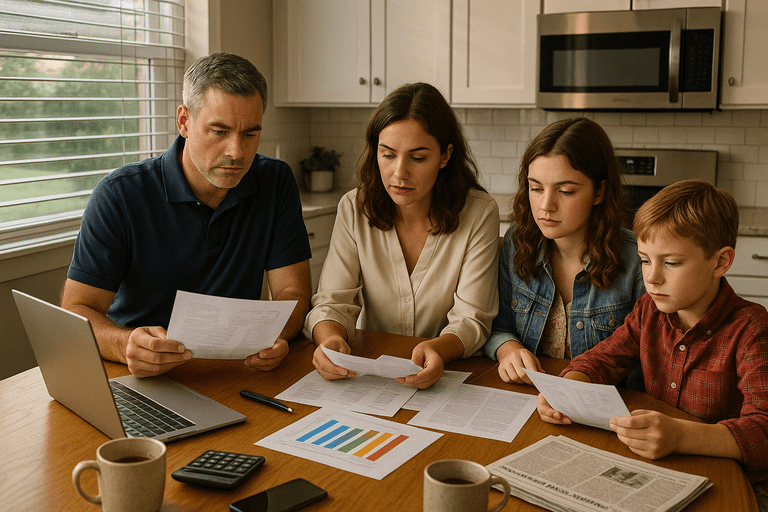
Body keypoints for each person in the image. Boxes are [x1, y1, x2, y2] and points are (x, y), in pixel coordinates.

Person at [61, 53, 312, 378]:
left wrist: (273, 336)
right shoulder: (119, 194)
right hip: (140, 376)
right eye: (219, 131)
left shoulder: (275, 181)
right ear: (184, 121)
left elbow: (293, 293)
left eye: (250, 134)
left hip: (235, 372)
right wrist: (125, 345)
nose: (236, 152)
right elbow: (77, 310)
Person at [537, 179, 768, 505]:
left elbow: (763, 429)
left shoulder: (751, 328)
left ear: (720, 262)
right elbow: (603, 359)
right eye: (645, 260)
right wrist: (568, 389)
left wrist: (680, 435)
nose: (652, 277)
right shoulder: (649, 310)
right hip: (660, 470)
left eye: (671, 263)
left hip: (732, 481)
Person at [304, 82, 499, 389]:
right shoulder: (354, 208)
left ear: (445, 155)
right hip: (371, 377)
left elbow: (472, 319)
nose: (399, 173)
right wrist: (329, 338)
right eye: (388, 155)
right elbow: (332, 303)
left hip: (451, 377)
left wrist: (438, 349)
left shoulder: (479, 212)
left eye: (417, 158)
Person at [483, 118, 645, 387]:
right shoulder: (518, 241)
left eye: (566, 191)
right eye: (536, 188)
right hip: (531, 394)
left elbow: (647, 361)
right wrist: (507, 348)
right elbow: (497, 325)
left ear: (599, 191)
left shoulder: (637, 260)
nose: (546, 205)